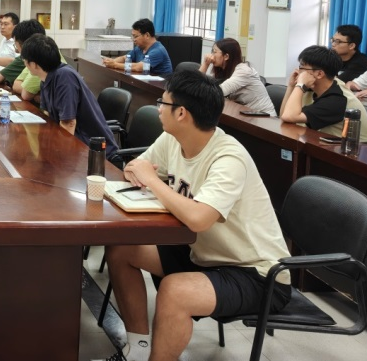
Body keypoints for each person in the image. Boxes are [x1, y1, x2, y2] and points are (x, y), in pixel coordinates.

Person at [97, 69, 290, 361]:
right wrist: (144, 174)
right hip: (202, 252)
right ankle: (136, 350)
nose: (158, 109)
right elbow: (136, 166)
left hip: (256, 272)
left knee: (175, 291)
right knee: (122, 248)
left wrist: (153, 181)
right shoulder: (173, 138)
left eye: (163, 103)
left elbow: (199, 218)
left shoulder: (228, 158)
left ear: (181, 113)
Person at [19, 34, 118, 160]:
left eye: (25, 60)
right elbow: (48, 115)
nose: (24, 63)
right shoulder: (45, 78)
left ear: (34, 64)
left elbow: (69, 123)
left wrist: (58, 158)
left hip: (92, 151)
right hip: (76, 147)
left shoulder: (64, 77)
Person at [280, 45, 367, 143]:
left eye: (302, 68)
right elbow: (284, 116)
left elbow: (289, 116)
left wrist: (300, 85)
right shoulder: (313, 89)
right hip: (326, 145)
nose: (298, 72)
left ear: (319, 74)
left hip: (353, 150)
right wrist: (291, 86)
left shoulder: (337, 98)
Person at [199, 38, 275, 115]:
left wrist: (206, 64)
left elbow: (217, 93)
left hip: (263, 117)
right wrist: (205, 64)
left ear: (226, 56)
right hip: (245, 114)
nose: (211, 55)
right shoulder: (223, 71)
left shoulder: (244, 71)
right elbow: (197, 87)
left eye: (214, 52)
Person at [102, 18, 173, 76]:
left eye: (135, 36)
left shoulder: (158, 50)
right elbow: (124, 58)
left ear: (147, 35)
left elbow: (138, 67)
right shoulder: (139, 48)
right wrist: (111, 61)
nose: (133, 39)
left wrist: (115, 65)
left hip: (159, 86)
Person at [0, 19, 45, 87]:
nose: (2, 27)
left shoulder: (34, 60)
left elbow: (23, 90)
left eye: (15, 44)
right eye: (1, 24)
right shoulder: (38, 55)